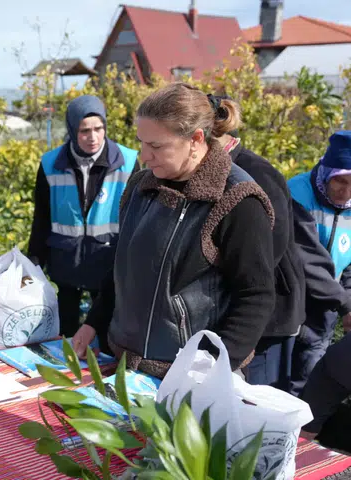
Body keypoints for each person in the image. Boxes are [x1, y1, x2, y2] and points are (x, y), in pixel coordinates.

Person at [71, 82, 276, 378]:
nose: (144, 155)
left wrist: (208, 368)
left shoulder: (236, 200)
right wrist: (94, 321)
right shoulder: (140, 186)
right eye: (142, 142)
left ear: (195, 139)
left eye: (156, 146)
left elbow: (256, 296)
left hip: (192, 377)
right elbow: (122, 265)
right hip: (127, 364)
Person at [211, 94, 305, 390]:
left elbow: (271, 247)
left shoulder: (257, 173)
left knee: (256, 397)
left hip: (268, 315)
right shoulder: (213, 170)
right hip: (240, 307)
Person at [28, 95, 139, 338]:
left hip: (107, 262)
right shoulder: (50, 164)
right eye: (84, 131)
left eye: (98, 129)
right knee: (64, 336)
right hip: (65, 261)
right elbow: (41, 219)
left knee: (107, 335)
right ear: (72, 130)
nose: (93, 137)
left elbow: (136, 219)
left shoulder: (128, 162)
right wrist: (33, 264)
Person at [289, 131, 351, 395]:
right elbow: (304, 258)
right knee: (272, 388)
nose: (346, 192)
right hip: (288, 305)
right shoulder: (297, 193)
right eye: (340, 181)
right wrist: (346, 304)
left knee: (307, 390)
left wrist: (348, 300)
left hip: (325, 311)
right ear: (327, 172)